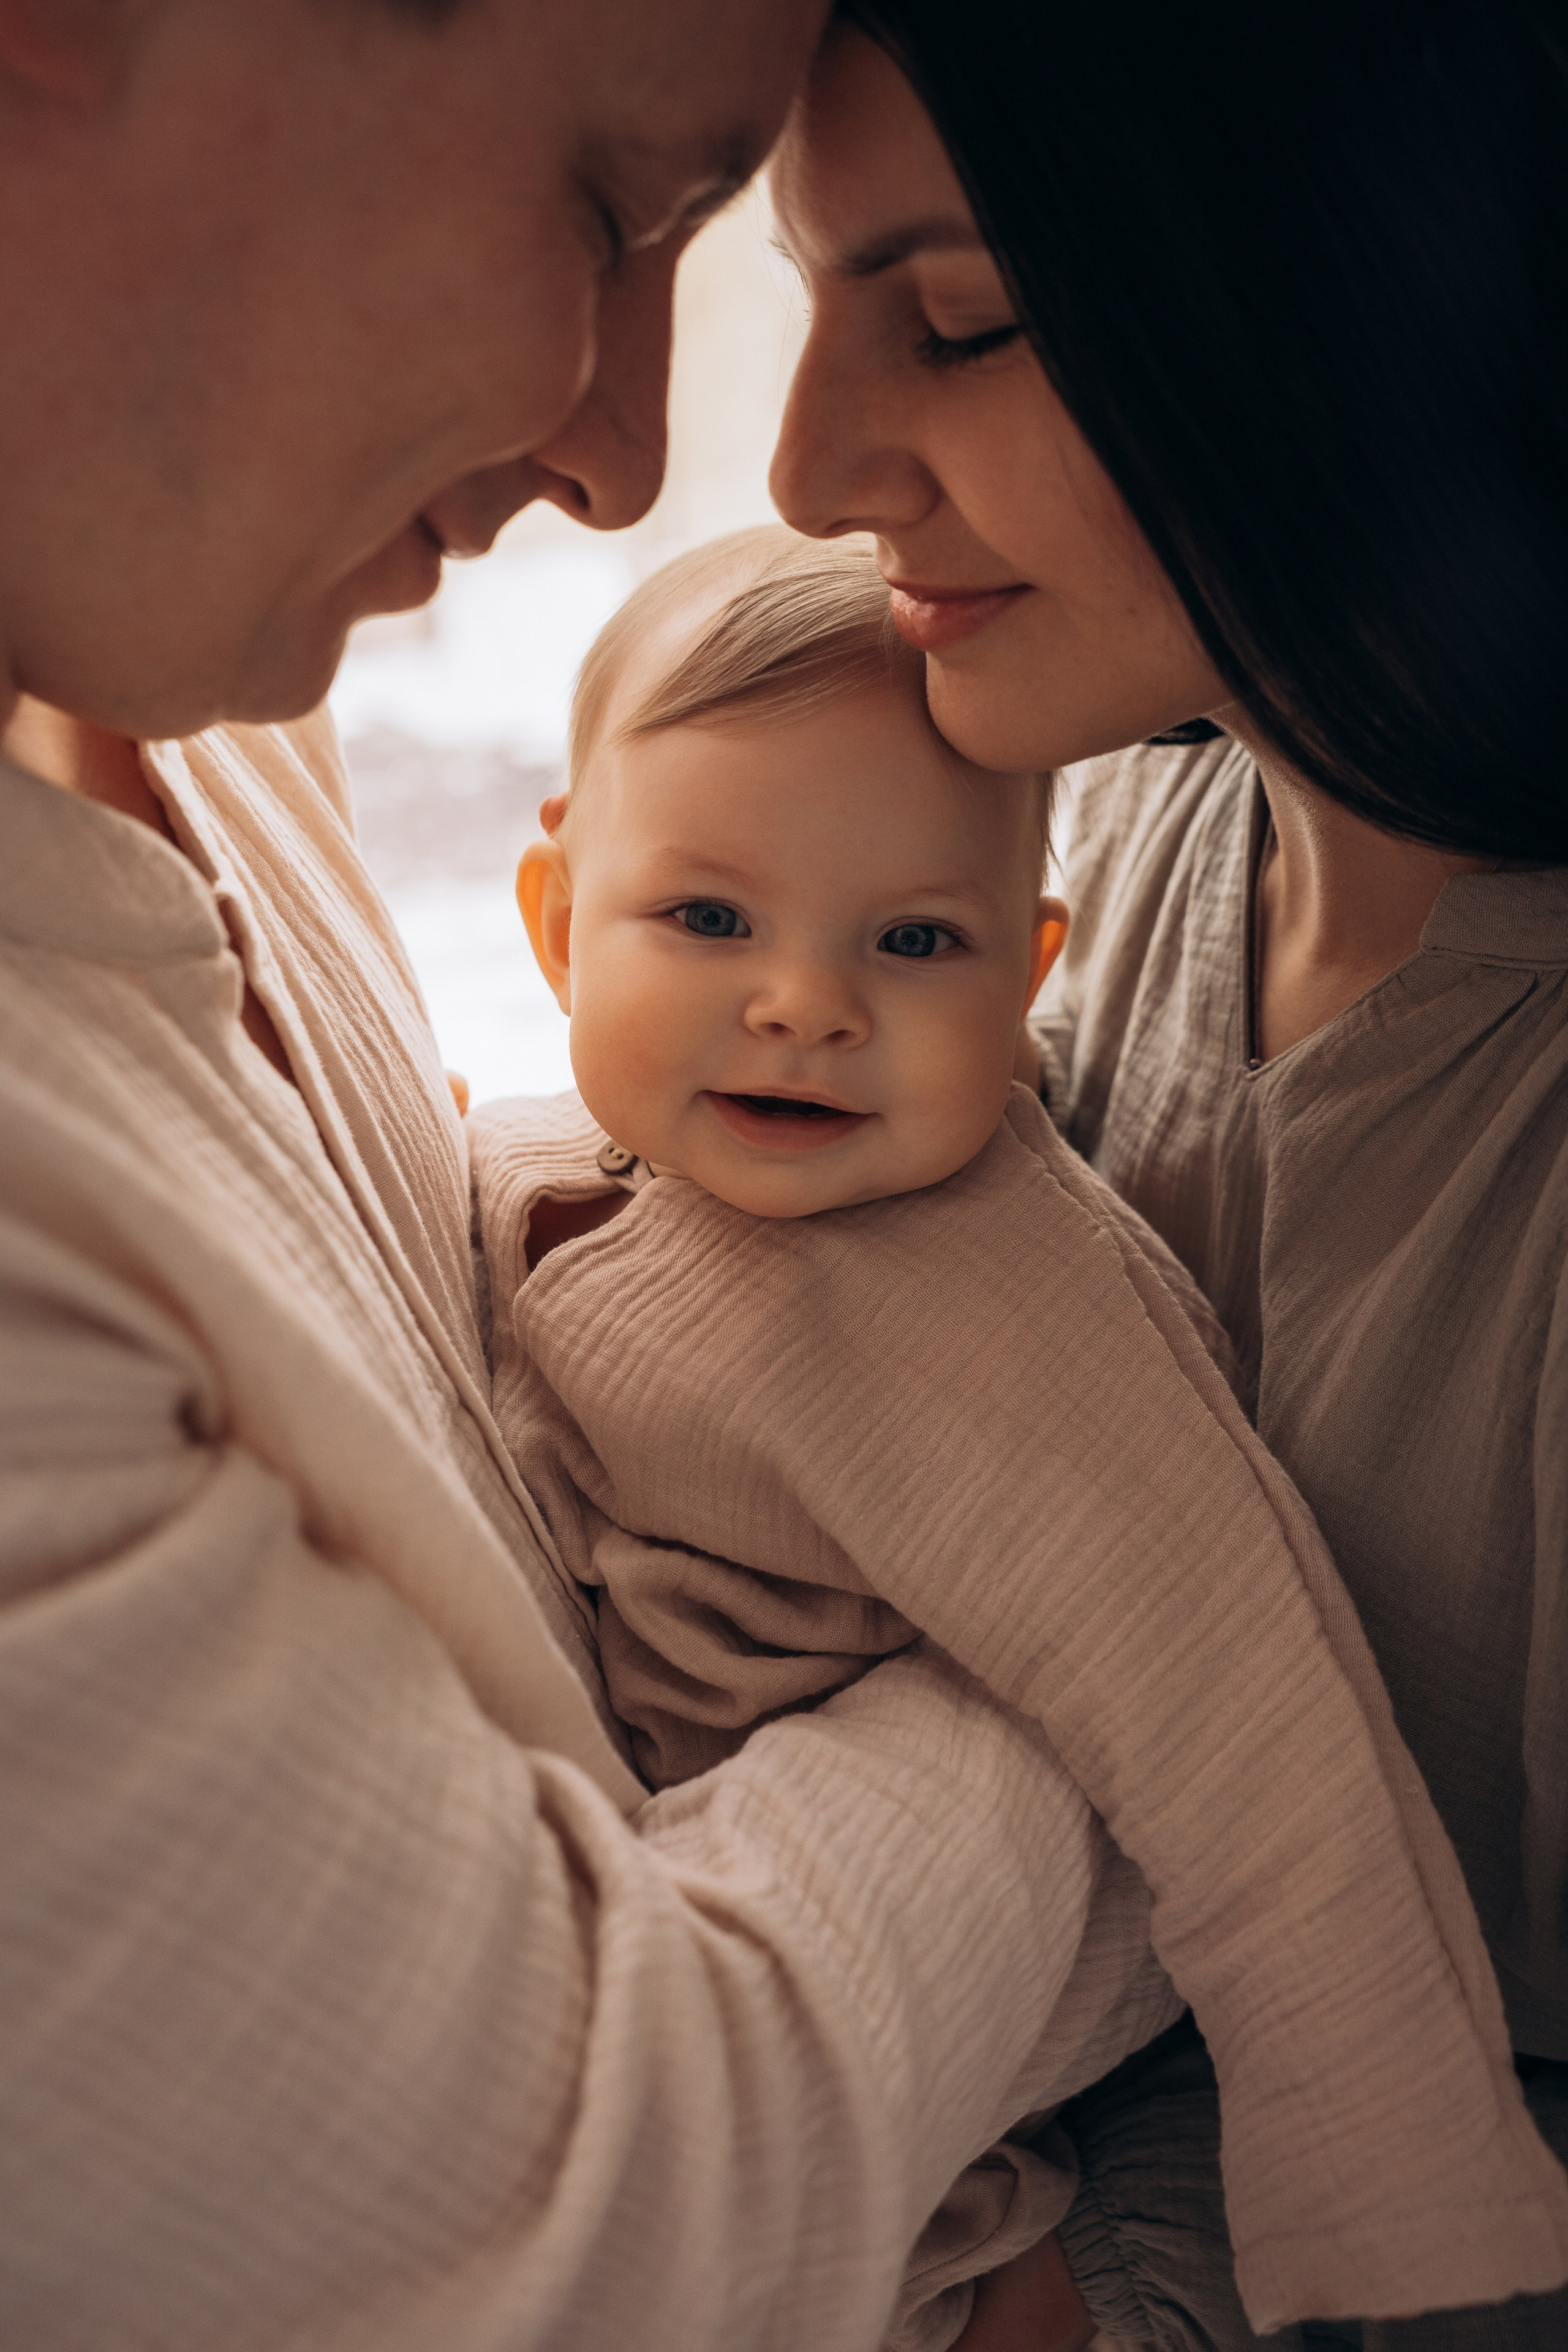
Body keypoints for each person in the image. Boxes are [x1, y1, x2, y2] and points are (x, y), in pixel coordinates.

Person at [0, 5, 1191, 2346]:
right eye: (604, 205)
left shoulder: (192, 693)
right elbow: (615, 2207)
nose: (633, 452)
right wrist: (1136, 1637)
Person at [464, 519, 1568, 2339]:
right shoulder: (556, 1155)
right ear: (556, 920)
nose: (806, 1002)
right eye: (708, 918)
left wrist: (1394, 2182)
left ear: (1023, 970)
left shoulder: (1005, 1299)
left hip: (1053, 1888)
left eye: (913, 940)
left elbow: (1251, 1728)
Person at [766, 4, 1568, 2348]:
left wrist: (1099, 2279)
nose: (810, 466)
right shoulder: (1101, 852)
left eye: (962, 318)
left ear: (1368, 293)